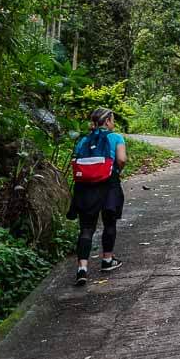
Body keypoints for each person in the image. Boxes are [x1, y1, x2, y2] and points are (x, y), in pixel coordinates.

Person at [68, 107, 127, 284]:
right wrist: (116, 171)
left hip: (85, 187)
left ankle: (82, 268)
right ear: (107, 121)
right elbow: (122, 159)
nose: (113, 123)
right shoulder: (116, 137)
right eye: (113, 120)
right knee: (109, 222)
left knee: (86, 227)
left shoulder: (83, 140)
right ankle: (107, 260)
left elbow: (76, 159)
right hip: (109, 184)